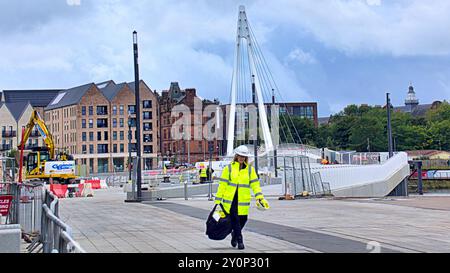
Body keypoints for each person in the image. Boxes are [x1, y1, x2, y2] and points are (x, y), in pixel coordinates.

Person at [214, 145, 270, 250]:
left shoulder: (250, 170)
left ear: (246, 158)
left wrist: (259, 197)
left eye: (243, 156)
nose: (241, 158)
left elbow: (255, 185)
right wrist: (218, 200)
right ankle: (239, 240)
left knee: (243, 219)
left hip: (243, 200)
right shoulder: (229, 169)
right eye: (240, 156)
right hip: (231, 200)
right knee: (235, 219)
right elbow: (222, 185)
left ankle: (234, 234)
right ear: (236, 156)